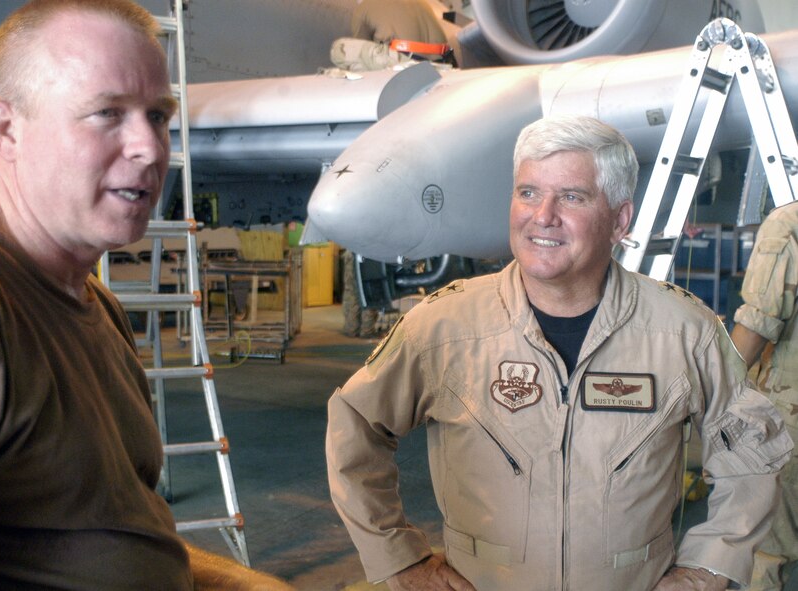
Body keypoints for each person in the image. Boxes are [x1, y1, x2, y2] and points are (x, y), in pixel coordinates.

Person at [325, 114, 793, 591]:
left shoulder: (683, 332)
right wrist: (400, 560)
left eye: (572, 197)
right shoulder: (443, 328)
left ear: (619, 220)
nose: (542, 216)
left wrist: (707, 569)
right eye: (528, 192)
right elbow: (355, 422)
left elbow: (753, 451)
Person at [0, 1, 294, 588]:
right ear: (7, 130)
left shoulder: (97, 304)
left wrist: (238, 583)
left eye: (158, 116)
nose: (150, 148)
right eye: (106, 113)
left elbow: (114, 529)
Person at [731, 200, 798, 591]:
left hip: (788, 418)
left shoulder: (789, 222)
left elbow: (758, 322)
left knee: (768, 552)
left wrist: (716, 389)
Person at [331, 0, 450, 71]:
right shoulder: (423, 3)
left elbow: (362, 47)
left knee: (340, 49)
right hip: (444, 62)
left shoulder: (363, 8)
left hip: (409, 65)